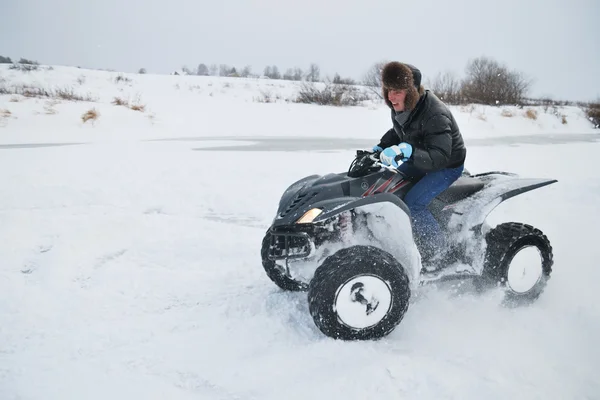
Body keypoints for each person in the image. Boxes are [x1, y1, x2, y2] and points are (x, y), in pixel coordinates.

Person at [372, 61, 467, 265]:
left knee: (412, 204)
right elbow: (399, 131)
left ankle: (440, 252)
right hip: (422, 156)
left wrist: (407, 150)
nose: (390, 97)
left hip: (446, 165)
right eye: (388, 90)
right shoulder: (402, 107)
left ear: (411, 91)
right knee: (389, 185)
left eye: (397, 91)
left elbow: (440, 156)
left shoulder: (435, 114)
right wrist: (382, 146)